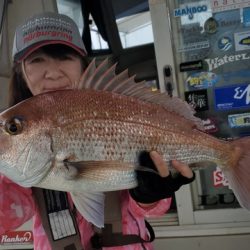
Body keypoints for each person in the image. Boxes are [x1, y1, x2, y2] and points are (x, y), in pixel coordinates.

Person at [0, 12, 195, 250]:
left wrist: (150, 195)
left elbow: (152, 211)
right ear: (21, 72)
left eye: (64, 57)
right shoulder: (17, 145)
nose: (52, 72)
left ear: (83, 64)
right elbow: (5, 216)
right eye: (36, 60)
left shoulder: (118, 103)